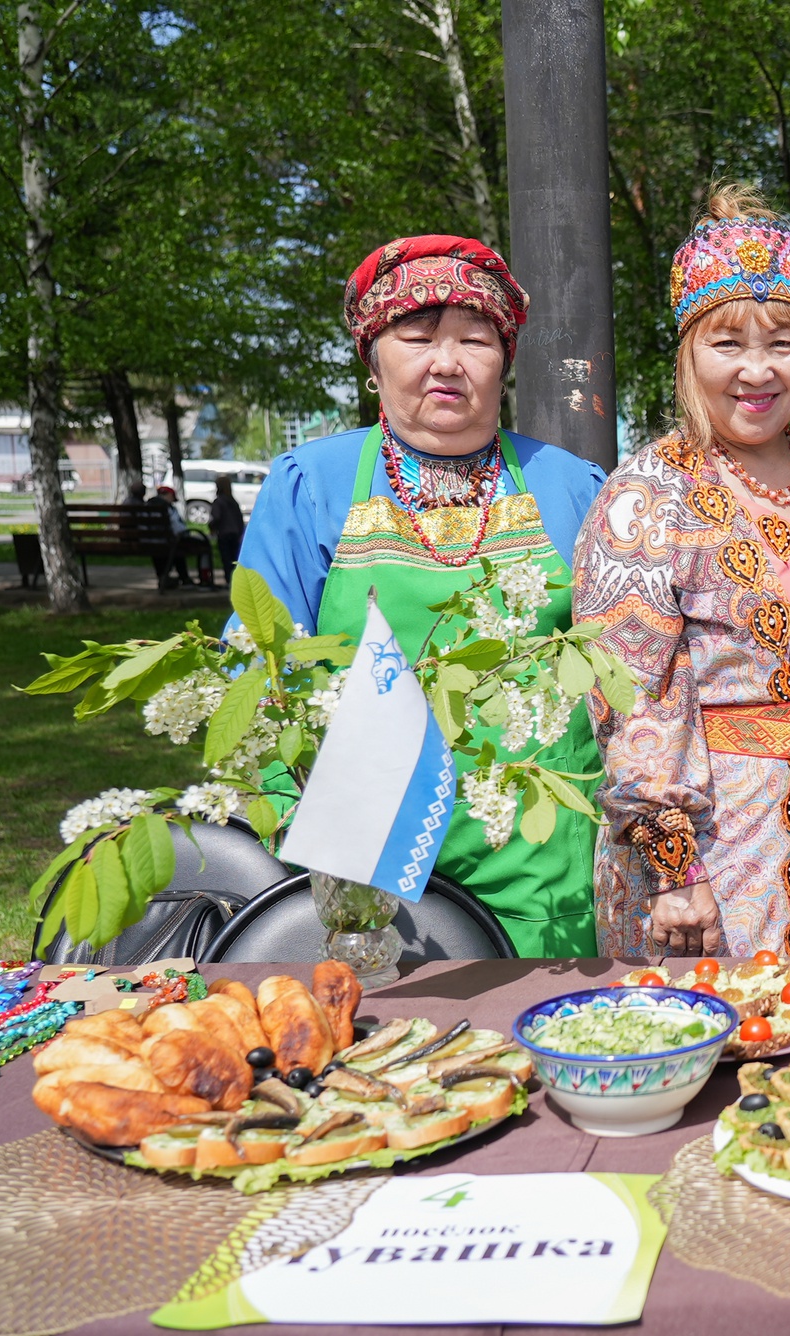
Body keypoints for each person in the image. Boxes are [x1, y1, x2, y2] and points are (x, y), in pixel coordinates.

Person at [234, 233, 607, 954]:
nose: (446, 362)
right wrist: (302, 846)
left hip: (542, 869)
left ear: (505, 363)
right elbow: (256, 673)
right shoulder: (312, 485)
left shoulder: (572, 487)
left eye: (475, 339)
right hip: (364, 875)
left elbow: (624, 669)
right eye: (416, 336)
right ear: (373, 361)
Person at [573, 187, 790, 959]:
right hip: (715, 841)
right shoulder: (645, 497)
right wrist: (675, 865)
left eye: (784, 342)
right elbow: (633, 697)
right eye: (728, 344)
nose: (757, 370)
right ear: (688, 352)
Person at [148, 484, 212, 589]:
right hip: (168, 542)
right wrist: (187, 533)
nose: (172, 501)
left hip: (149, 542)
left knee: (174, 546)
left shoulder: (147, 506)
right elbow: (178, 528)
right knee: (192, 544)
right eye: (172, 498)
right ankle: (197, 578)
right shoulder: (167, 508)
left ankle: (165, 577)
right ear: (168, 495)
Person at [209, 475, 246, 584]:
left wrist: (211, 527)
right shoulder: (233, 502)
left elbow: (216, 517)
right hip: (235, 533)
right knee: (235, 558)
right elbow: (240, 519)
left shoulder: (218, 502)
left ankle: (229, 580)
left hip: (224, 533)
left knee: (226, 558)